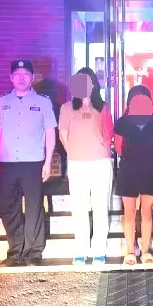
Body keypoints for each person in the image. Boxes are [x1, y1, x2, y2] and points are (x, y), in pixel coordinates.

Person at [0, 60, 57, 267]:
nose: (21, 77)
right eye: (17, 74)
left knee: (34, 206)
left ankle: (33, 252)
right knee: (8, 208)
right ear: (11, 77)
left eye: (26, 74)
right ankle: (15, 252)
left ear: (32, 78)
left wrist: (48, 162)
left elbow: (50, 133)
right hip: (7, 162)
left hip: (33, 163)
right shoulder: (1, 102)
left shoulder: (43, 102)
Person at [58, 67, 114, 266]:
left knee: (100, 207)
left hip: (100, 163)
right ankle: (81, 250)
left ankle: (99, 250)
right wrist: (74, 152)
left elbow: (108, 134)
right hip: (77, 164)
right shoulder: (67, 108)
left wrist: (100, 151)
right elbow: (63, 135)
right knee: (79, 207)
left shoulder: (103, 107)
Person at [113, 85, 153, 265]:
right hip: (128, 169)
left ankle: (145, 250)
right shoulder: (122, 122)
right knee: (129, 212)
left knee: (147, 212)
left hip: (149, 168)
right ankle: (129, 251)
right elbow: (118, 147)